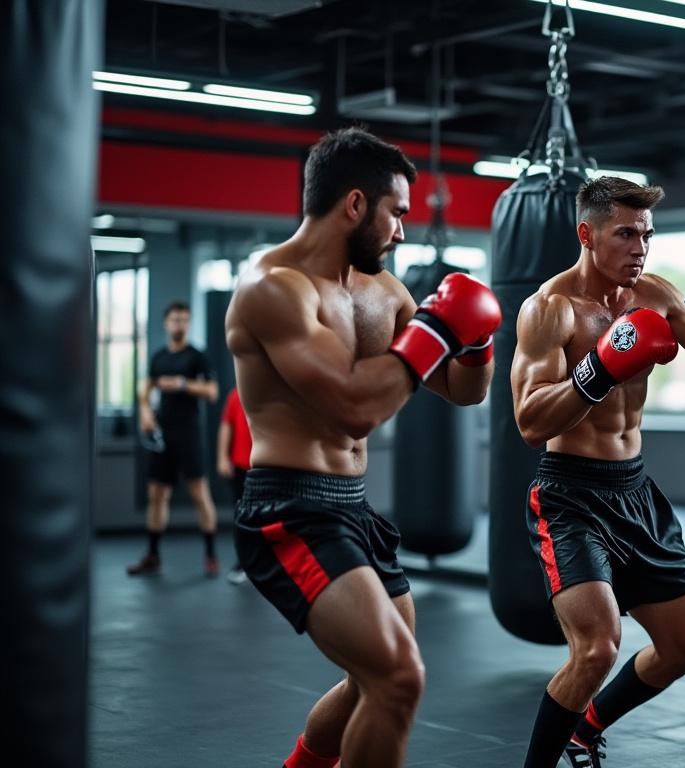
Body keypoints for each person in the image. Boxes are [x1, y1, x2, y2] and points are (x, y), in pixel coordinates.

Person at [226, 127, 501, 768]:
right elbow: (350, 407)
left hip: (353, 507)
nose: (403, 231)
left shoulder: (385, 294)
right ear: (355, 205)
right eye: (397, 213)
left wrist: (479, 338)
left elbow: (464, 391)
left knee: (371, 680)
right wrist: (437, 330)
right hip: (290, 513)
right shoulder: (275, 288)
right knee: (398, 677)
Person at [512, 176, 685, 768]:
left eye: (646, 234)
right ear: (587, 234)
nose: (640, 247)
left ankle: (588, 727)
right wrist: (599, 369)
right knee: (597, 650)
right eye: (625, 233)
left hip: (635, 492)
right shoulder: (549, 310)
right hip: (571, 494)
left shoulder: (654, 294)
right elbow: (528, 419)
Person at [128, 301, 221, 576]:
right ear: (166, 324)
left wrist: (183, 384)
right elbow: (144, 389)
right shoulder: (158, 358)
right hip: (162, 434)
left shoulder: (197, 357)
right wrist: (144, 412)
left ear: (188, 324)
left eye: (184, 320)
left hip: (189, 434)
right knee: (156, 493)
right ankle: (153, 555)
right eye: (175, 320)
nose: (180, 324)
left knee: (199, 493)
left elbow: (213, 392)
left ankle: (211, 555)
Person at [216, 386, 253, 585]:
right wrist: (222, 457)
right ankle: (243, 563)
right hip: (240, 466)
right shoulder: (235, 395)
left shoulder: (272, 390)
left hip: (265, 466)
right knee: (241, 517)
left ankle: (262, 564)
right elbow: (226, 425)